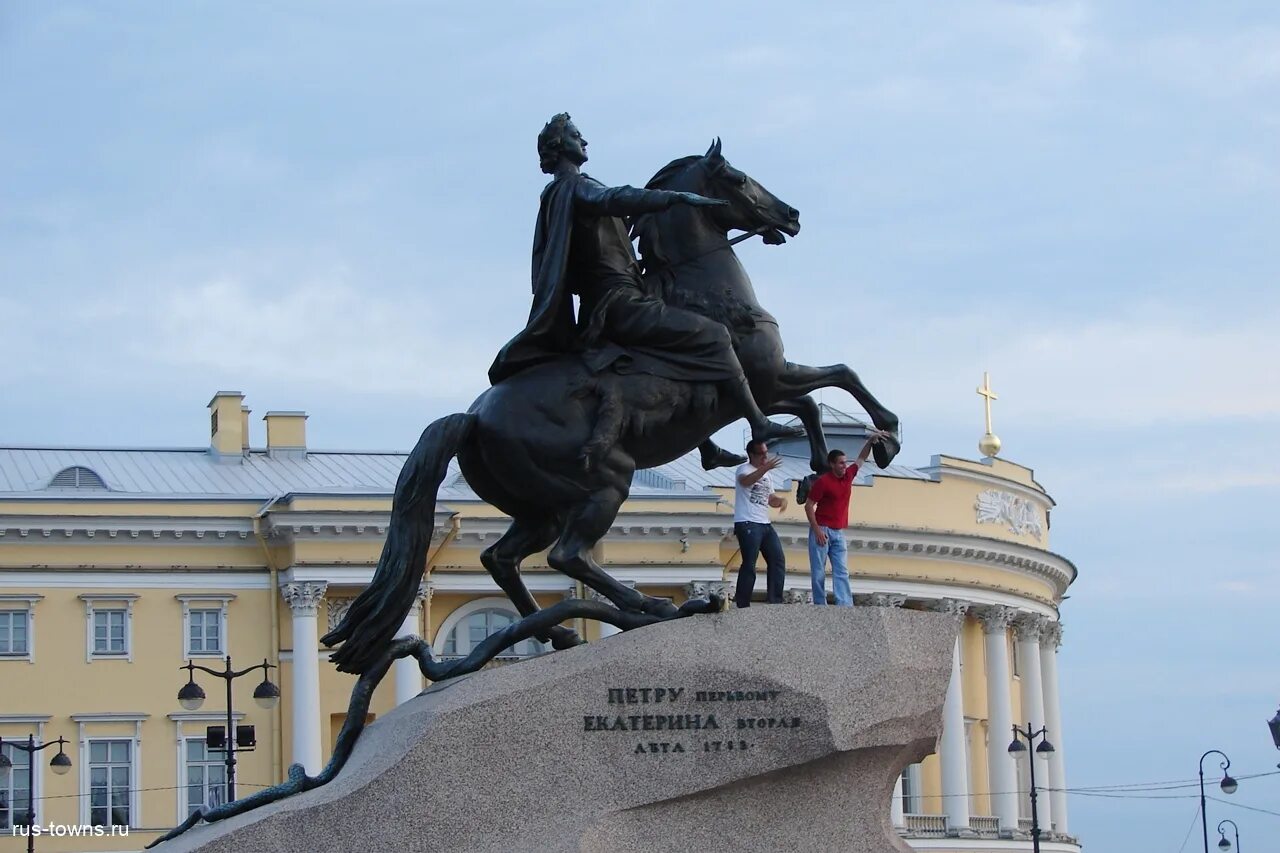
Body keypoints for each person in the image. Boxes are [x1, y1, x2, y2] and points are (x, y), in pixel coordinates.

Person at [488, 113, 802, 446]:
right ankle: (758, 422)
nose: (584, 141)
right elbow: (616, 198)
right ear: (560, 146)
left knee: (674, 352)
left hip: (614, 299)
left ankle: (705, 446)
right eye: (577, 135)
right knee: (714, 336)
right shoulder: (576, 187)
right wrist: (675, 198)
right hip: (621, 302)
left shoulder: (564, 194)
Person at [804, 431, 891, 605]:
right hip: (822, 530)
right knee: (819, 571)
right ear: (832, 464)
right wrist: (817, 530)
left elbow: (861, 459)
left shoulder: (848, 476)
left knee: (841, 570)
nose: (845, 466)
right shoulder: (823, 482)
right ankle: (820, 605)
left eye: (845, 463)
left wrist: (870, 441)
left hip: (838, 531)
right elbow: (808, 505)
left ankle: (844, 604)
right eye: (841, 463)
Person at [732, 440, 789, 607]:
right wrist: (765, 468)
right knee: (750, 562)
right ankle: (742, 603)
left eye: (766, 453)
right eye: (762, 454)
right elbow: (745, 482)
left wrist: (781, 501)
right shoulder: (744, 469)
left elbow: (769, 498)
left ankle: (775, 600)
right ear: (752, 455)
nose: (766, 457)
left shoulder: (767, 476)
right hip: (748, 522)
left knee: (777, 559)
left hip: (764, 523)